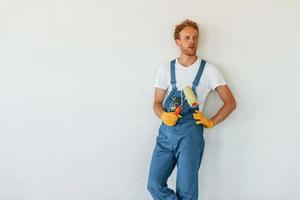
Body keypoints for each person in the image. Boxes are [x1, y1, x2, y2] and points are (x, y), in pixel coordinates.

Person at [147, 19, 237, 200]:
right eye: (187, 37)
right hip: (166, 135)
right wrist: (164, 115)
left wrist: (210, 122)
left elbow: (230, 103)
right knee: (154, 184)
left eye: (195, 37)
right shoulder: (165, 69)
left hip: (191, 136)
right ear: (177, 41)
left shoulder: (209, 70)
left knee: (187, 191)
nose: (192, 41)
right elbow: (156, 102)